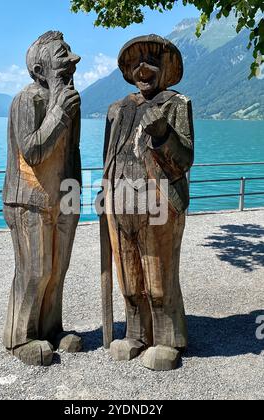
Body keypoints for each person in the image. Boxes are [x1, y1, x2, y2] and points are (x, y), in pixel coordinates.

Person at [102, 35, 194, 370]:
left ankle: (167, 337)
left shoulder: (176, 103)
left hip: (158, 202)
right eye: (136, 61)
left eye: (152, 60)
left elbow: (184, 160)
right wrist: (105, 192)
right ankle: (136, 334)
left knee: (159, 277)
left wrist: (163, 135)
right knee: (128, 277)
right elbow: (108, 157)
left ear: (168, 67)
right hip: (119, 204)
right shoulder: (117, 109)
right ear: (127, 69)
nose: (143, 68)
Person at [3, 31, 81, 366]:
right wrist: (60, 113)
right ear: (39, 68)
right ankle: (21, 335)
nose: (71, 63)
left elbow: (71, 153)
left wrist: (74, 199)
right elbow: (32, 151)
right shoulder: (28, 99)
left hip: (62, 198)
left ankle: (51, 328)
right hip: (29, 198)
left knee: (56, 269)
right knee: (34, 270)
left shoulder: (70, 102)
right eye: (62, 55)